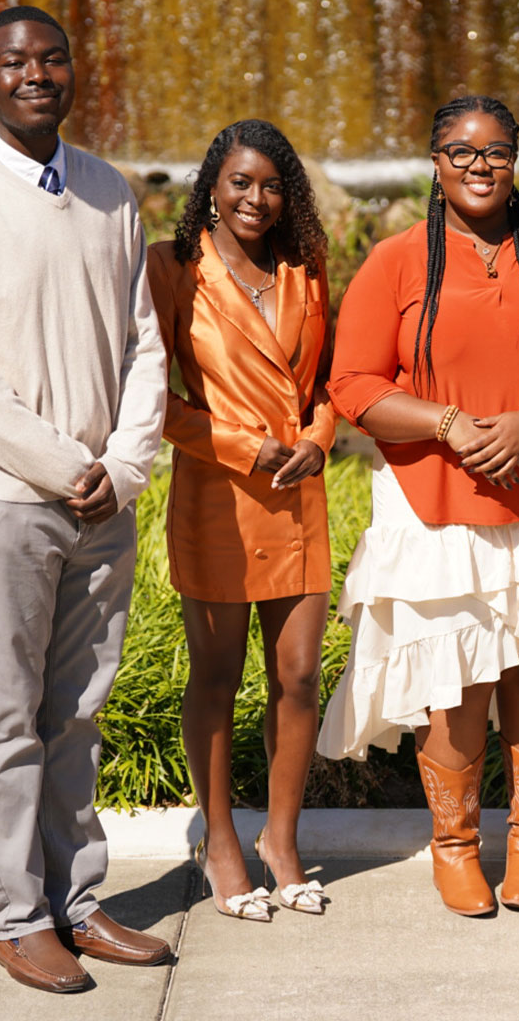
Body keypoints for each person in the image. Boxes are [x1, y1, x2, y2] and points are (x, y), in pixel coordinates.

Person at [0, 5, 169, 993]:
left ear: (72, 72)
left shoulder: (108, 191)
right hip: (1, 499)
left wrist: (126, 466)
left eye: (51, 58)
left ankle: (79, 904)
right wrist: (66, 465)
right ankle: (17, 917)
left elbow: (146, 344)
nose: (35, 73)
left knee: (77, 716)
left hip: (106, 500)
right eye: (14, 61)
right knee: (7, 713)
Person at [316, 95, 519, 916]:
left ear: (516, 159)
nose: (480, 165)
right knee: (452, 673)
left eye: (496, 151)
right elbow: (352, 383)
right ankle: (454, 845)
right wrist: (448, 424)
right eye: (461, 151)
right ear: (434, 163)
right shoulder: (394, 262)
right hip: (435, 500)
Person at [146, 119, 336, 921]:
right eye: (240, 183)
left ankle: (281, 840)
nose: (256, 199)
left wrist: (321, 441)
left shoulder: (308, 271)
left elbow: (331, 382)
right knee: (217, 676)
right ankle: (222, 840)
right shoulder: (171, 269)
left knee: (298, 675)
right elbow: (153, 400)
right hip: (218, 494)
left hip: (297, 493)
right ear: (211, 189)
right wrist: (240, 447)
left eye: (271, 185)